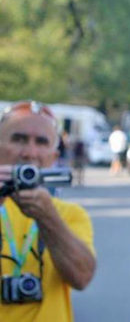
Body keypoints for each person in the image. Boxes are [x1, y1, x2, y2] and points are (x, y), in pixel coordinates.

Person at [0, 100, 96, 321]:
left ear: (54, 157)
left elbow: (82, 278)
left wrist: (48, 217)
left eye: (42, 142)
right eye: (18, 139)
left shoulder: (70, 214)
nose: (29, 153)